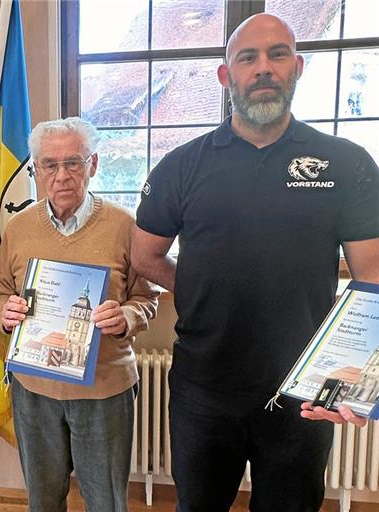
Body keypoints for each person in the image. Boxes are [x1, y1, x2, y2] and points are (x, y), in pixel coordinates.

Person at [131, 13, 379, 512]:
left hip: (304, 394)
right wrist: (201, 289)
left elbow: (371, 276)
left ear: (298, 67)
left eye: (277, 55)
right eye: (248, 58)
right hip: (203, 389)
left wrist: (355, 376)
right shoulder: (183, 165)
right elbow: (144, 256)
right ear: (227, 76)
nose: (263, 68)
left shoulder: (345, 163)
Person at [0, 117, 159, 512]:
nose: (61, 175)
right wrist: (5, 312)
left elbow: (146, 298)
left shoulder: (126, 226)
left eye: (73, 162)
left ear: (94, 164)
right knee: (44, 501)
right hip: (34, 391)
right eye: (49, 165)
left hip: (103, 389)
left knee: (105, 501)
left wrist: (127, 318)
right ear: (35, 170)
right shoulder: (17, 228)